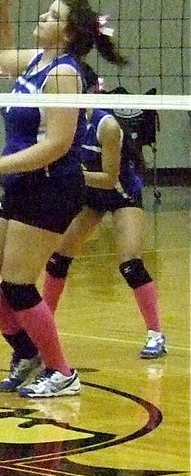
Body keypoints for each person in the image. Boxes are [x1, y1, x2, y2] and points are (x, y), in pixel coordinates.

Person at [0, 0, 127, 399]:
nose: (44, 17)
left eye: (53, 16)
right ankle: (26, 350)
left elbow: (58, 144)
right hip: (23, 185)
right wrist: (2, 2)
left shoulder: (64, 73)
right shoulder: (37, 61)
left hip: (51, 186)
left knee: (18, 284)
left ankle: (62, 372)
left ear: (67, 33)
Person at [43, 80, 166, 359]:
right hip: (91, 196)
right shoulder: (64, 122)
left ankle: (156, 334)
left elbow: (109, 180)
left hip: (121, 194)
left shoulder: (106, 125)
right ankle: (42, 324)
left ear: (87, 93)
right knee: (58, 258)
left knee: (131, 263)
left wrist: (68, 176)